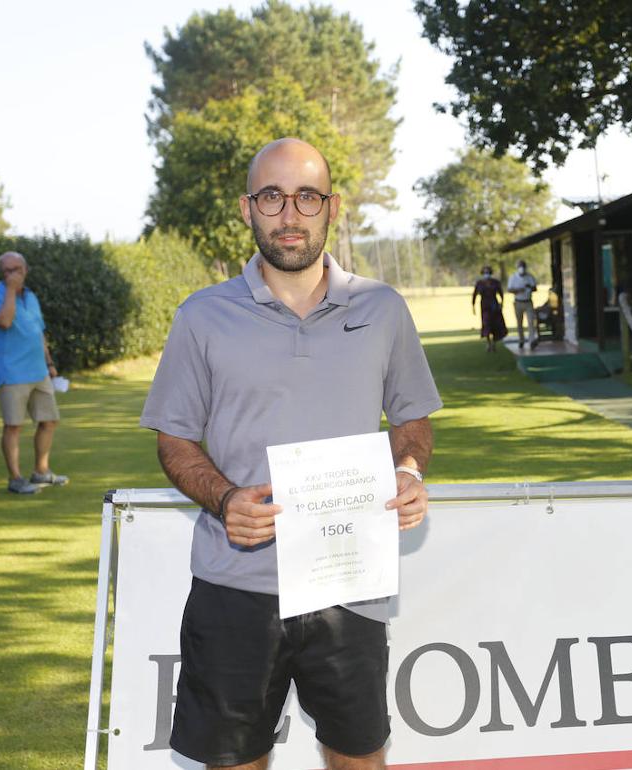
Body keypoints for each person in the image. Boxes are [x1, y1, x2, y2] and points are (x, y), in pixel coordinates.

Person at [140, 137, 442, 770]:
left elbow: (412, 416)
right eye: (273, 196)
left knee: (359, 758)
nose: (290, 213)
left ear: (331, 208)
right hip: (236, 586)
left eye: (306, 196)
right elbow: (174, 439)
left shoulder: (381, 309)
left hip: (348, 586)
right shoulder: (202, 316)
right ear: (248, 208)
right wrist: (224, 499)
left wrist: (408, 470)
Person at [0, 252, 68, 494]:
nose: (13, 274)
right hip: (12, 372)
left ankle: (41, 472)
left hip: (39, 370)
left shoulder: (32, 297)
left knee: (49, 421)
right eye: (7, 271)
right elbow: (5, 322)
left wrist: (49, 364)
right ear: (2, 274)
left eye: (17, 269)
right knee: (13, 426)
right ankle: (15, 479)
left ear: (26, 270)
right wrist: (10, 291)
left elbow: (38, 332)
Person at [471, 265, 507, 352]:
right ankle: (488, 343)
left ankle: (494, 344)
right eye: (484, 272)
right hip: (485, 306)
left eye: (487, 272)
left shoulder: (495, 282)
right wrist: (473, 305)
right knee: (486, 324)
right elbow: (475, 294)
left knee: (496, 324)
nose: (486, 274)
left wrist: (502, 303)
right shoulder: (479, 283)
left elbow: (501, 293)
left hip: (494, 305)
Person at [506, 258, 539, 349]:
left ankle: (532, 340)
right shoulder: (513, 277)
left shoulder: (530, 277)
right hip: (518, 302)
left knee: (531, 321)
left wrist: (530, 287)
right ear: (517, 267)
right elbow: (509, 289)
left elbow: (535, 288)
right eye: (520, 266)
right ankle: (521, 340)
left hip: (528, 302)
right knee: (519, 323)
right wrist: (519, 290)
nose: (522, 268)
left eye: (523, 266)